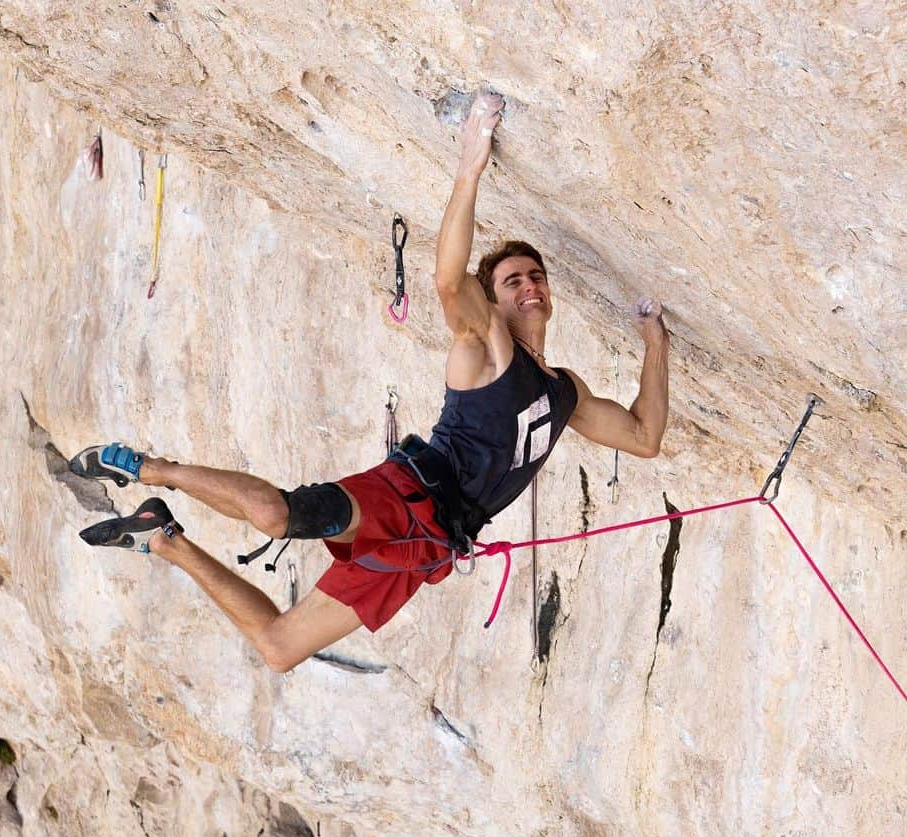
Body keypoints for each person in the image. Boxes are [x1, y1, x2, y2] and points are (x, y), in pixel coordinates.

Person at [74, 93, 670, 672]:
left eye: (535, 277)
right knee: (276, 516)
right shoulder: (487, 344)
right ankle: (151, 469)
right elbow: (445, 280)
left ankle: (163, 538)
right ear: (492, 301)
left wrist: (655, 343)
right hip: (404, 496)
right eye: (513, 280)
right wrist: (470, 165)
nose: (529, 286)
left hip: (432, 544)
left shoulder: (566, 392)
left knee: (280, 648)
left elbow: (644, 437)